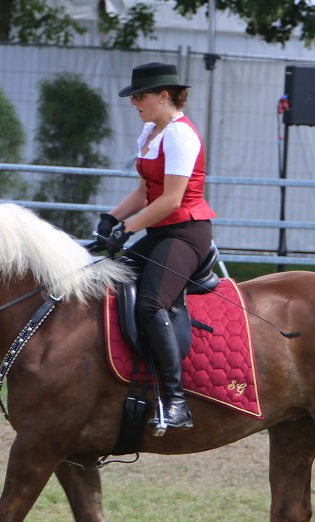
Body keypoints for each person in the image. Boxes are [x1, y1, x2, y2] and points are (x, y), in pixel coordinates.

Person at [95, 62, 216, 430]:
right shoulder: (151, 131)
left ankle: (177, 401)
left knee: (150, 304)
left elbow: (172, 200)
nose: (134, 102)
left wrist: (128, 229)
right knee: (107, 280)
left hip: (186, 233)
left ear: (164, 96)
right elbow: (147, 191)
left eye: (139, 96)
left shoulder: (181, 136)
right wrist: (111, 219)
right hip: (161, 231)